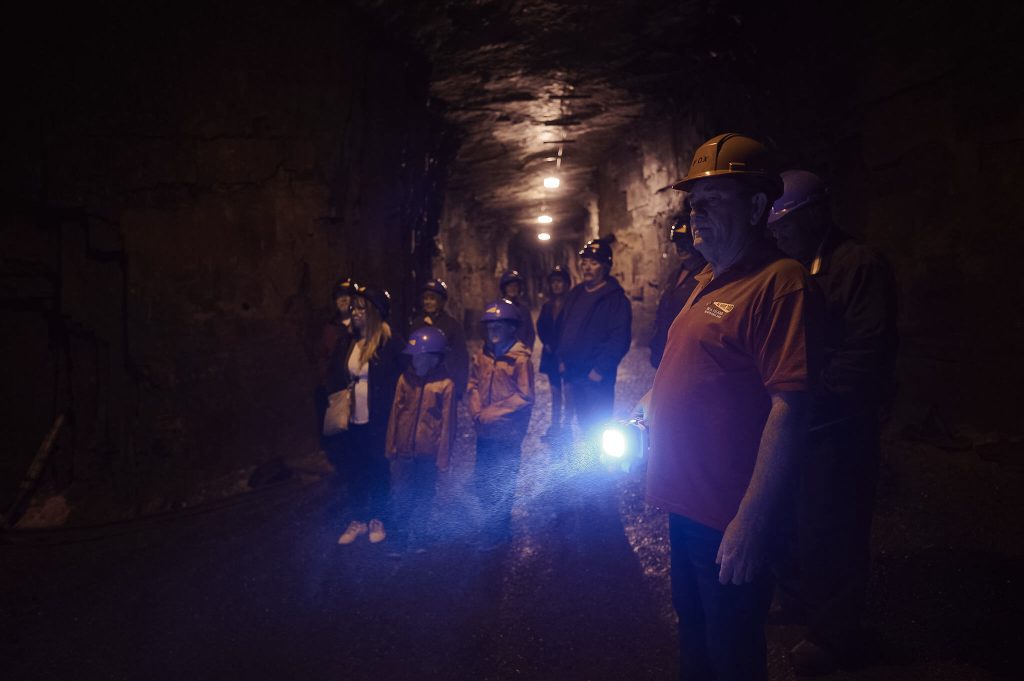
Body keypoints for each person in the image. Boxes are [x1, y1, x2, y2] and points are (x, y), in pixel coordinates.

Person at [640, 133, 823, 681]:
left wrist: (751, 521)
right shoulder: (704, 280)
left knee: (732, 651)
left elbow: (789, 406)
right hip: (685, 506)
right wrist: (650, 401)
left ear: (756, 206)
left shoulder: (778, 283)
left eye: (713, 200)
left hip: (725, 514)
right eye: (694, 201)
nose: (696, 212)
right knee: (695, 634)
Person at [767, 169, 898, 675]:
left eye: (788, 225)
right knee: (790, 517)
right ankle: (801, 602)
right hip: (804, 420)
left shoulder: (855, 265)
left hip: (839, 425)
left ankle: (835, 636)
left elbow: (867, 348)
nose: (779, 235)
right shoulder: (791, 267)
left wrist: (812, 395)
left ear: (817, 214)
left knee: (834, 528)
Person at [331, 285, 405, 546]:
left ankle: (379, 518)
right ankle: (359, 519)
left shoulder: (389, 343)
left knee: (378, 469)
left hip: (378, 417)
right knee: (356, 469)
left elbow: (403, 377)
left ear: (375, 312)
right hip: (352, 418)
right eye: (354, 307)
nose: (356, 312)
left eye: (362, 308)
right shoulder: (348, 341)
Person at [467, 299, 534, 550]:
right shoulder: (482, 356)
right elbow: (473, 384)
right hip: (485, 432)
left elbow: (525, 396)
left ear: (511, 327)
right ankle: (491, 524)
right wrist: (476, 410)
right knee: (483, 480)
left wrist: (491, 413)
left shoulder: (519, 359)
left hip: (507, 434)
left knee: (502, 480)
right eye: (489, 326)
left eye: (499, 325)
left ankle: (499, 531)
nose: (493, 330)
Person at [385, 326, 456, 551]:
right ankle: (399, 538)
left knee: (425, 495)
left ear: (434, 359)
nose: (415, 361)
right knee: (402, 494)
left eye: (420, 357)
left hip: (427, 452)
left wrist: (443, 457)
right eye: (413, 357)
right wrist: (391, 445)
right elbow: (395, 413)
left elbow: (448, 424)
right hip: (405, 450)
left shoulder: (445, 385)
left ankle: (421, 535)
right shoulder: (404, 380)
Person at [555, 239, 632, 435]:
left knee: (598, 427)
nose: (587, 267)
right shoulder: (576, 294)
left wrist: (600, 369)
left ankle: (599, 464)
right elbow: (563, 327)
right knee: (583, 424)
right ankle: (589, 464)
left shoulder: (616, 299)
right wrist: (561, 358)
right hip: (573, 373)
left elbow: (619, 338)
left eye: (594, 263)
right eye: (585, 262)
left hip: (596, 377)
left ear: (605, 267)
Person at [649, 212, 706, 368]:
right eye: (678, 242)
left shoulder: (707, 275)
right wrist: (655, 345)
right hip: (666, 350)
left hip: (688, 356)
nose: (681, 247)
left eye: (686, 242)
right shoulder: (675, 274)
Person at [408, 278, 470, 400]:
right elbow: (411, 354)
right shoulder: (417, 324)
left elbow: (461, 357)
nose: (428, 302)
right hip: (420, 384)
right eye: (426, 298)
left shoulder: (452, 326)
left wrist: (458, 388)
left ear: (441, 301)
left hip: (444, 385)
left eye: (432, 298)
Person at [316, 277, 356, 443]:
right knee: (339, 428)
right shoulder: (331, 326)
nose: (344, 299)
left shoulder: (360, 323)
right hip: (337, 385)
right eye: (340, 296)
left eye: (347, 295)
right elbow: (324, 354)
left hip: (356, 383)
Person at [536, 265, 572, 440]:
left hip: (567, 356)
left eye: (560, 282)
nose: (557, 285)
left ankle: (567, 427)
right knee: (555, 392)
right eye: (554, 282)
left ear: (566, 284)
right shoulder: (547, 306)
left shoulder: (572, 305)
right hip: (551, 356)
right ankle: (555, 425)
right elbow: (541, 326)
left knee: (569, 391)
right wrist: (547, 343)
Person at [499, 269, 536, 350]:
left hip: (521, 352)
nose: (513, 289)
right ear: (504, 288)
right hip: (503, 353)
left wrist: (527, 349)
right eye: (509, 286)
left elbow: (530, 332)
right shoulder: (498, 309)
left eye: (515, 286)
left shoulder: (524, 310)